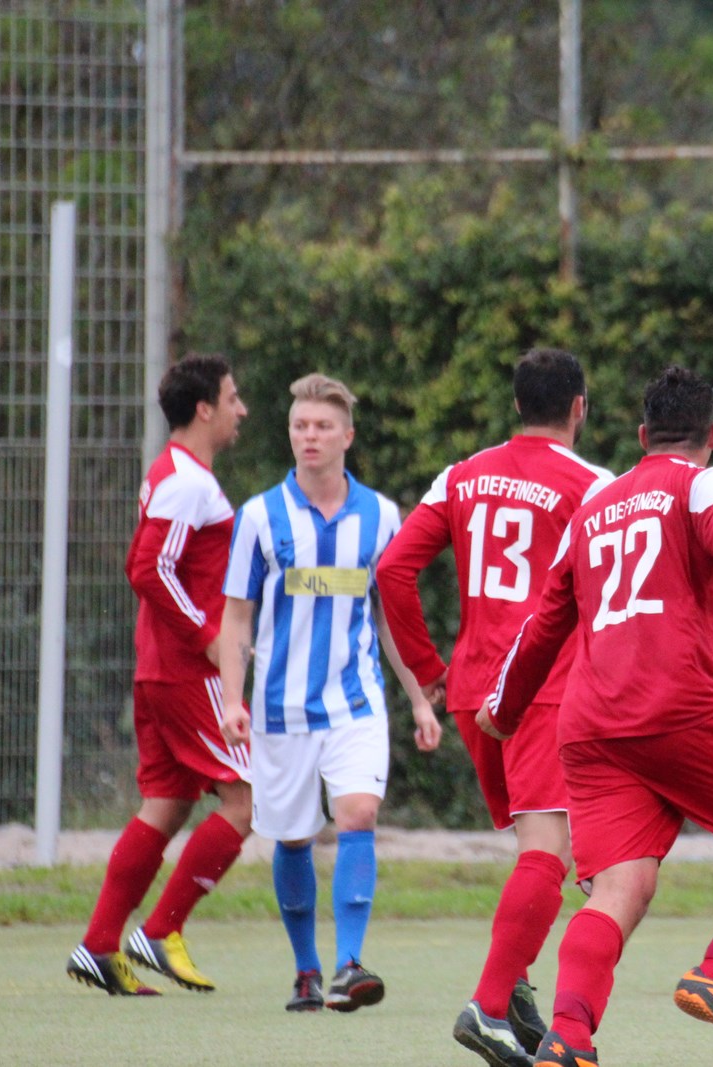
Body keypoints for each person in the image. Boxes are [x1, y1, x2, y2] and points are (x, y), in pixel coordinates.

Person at [482, 366, 713, 1065]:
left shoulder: (594, 503)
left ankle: (568, 1037)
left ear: (639, 434)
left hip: (590, 727)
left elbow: (544, 623)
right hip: (675, 710)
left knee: (622, 887)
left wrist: (504, 708)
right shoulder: (701, 481)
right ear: (711, 435)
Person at [376, 349, 613, 1067]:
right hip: (543, 690)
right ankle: (486, 1003)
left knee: (530, 852)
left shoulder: (462, 474)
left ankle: (514, 999)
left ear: (517, 405)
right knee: (550, 854)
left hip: (474, 693)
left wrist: (430, 671)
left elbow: (392, 570)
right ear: (579, 407)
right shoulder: (594, 486)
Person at [217, 372, 442, 1014]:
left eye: (321, 426)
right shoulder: (259, 516)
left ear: (347, 435)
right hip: (280, 710)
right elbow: (236, 618)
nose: (309, 436)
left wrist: (420, 699)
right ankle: (307, 970)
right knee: (291, 840)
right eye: (299, 426)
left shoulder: (381, 516)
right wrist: (233, 699)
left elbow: (392, 617)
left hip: (357, 702)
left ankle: (349, 964)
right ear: (290, 434)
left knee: (358, 815)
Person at [67, 354, 253, 996]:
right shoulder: (187, 482)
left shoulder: (178, 473)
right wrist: (208, 640)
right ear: (204, 408)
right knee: (247, 798)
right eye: (232, 399)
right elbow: (148, 568)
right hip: (184, 674)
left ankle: (99, 944)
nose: (241, 410)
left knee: (166, 806)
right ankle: (161, 930)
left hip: (158, 669)